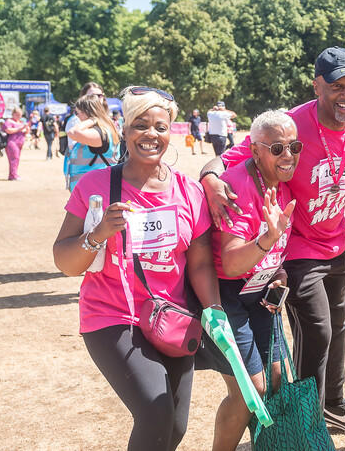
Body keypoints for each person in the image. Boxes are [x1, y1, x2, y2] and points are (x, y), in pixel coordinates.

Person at [200, 46, 345, 436]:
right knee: (317, 331)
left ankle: (332, 406)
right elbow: (229, 160)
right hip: (295, 250)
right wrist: (210, 180)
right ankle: (307, 422)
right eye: (337, 86)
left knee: (338, 326)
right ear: (317, 86)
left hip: (339, 245)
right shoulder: (290, 126)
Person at [52, 85, 223, 451]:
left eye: (160, 127)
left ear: (171, 132)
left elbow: (201, 262)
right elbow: (64, 261)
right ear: (125, 130)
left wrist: (215, 311)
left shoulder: (188, 191)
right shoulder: (96, 185)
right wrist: (97, 234)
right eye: (140, 125)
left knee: (174, 426)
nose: (151, 134)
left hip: (172, 318)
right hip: (112, 317)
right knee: (155, 411)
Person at [208, 110, 298, 451]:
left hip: (261, 291)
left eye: (294, 146)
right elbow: (231, 264)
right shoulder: (235, 187)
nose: (288, 155)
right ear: (255, 150)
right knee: (251, 390)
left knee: (275, 379)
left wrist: (279, 272)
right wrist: (266, 242)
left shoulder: (283, 185)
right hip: (228, 294)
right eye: (277, 148)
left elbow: (274, 251)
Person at [66, 93, 120, 191]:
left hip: (94, 191)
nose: (77, 117)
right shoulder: (104, 130)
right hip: (91, 190)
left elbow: (73, 132)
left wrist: (92, 119)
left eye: (77, 113)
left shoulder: (100, 132)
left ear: (86, 112)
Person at [4, 106, 30, 180]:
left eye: (20, 115)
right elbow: (8, 130)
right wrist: (20, 128)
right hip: (12, 142)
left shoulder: (21, 122)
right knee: (14, 158)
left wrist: (27, 129)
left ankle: (12, 174)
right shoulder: (9, 121)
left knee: (16, 159)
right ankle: (13, 175)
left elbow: (25, 132)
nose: (19, 116)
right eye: (18, 114)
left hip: (19, 143)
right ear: (13, 114)